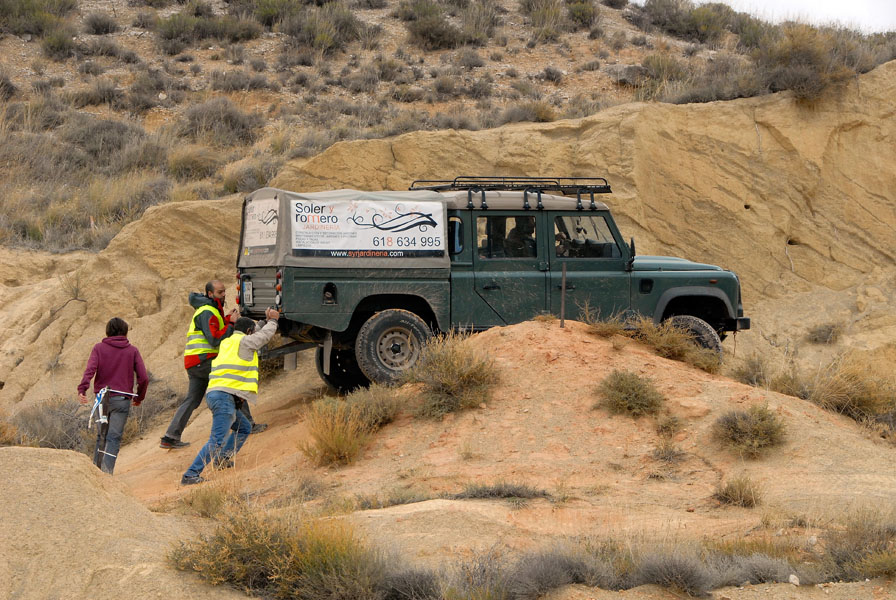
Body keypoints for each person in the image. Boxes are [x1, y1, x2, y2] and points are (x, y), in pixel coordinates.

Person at [181, 308, 280, 485]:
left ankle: (222, 460)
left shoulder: (228, 342)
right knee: (217, 440)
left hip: (216, 395)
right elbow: (263, 336)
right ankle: (190, 474)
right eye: (252, 331)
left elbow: (256, 332)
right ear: (248, 332)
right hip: (224, 398)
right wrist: (273, 321)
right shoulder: (245, 342)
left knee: (243, 427)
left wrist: (264, 321)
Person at [160, 280, 239, 449]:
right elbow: (215, 339)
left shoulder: (209, 309)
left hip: (195, 362)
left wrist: (226, 319)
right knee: (230, 385)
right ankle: (245, 426)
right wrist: (232, 324)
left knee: (192, 400)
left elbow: (214, 330)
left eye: (224, 291)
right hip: (204, 361)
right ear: (210, 294)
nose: (224, 294)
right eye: (220, 292)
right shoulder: (207, 311)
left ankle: (170, 437)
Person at [78, 317, 149, 475]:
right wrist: (139, 397)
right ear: (125, 332)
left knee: (101, 436)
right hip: (122, 399)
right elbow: (144, 378)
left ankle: (96, 473)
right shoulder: (132, 351)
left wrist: (82, 389)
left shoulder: (99, 348)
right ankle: (107, 473)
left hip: (102, 399)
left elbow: (90, 370)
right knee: (114, 437)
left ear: (108, 332)